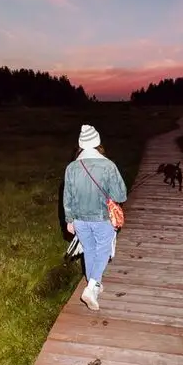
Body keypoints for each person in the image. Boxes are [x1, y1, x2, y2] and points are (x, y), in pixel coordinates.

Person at [63, 124, 127, 311]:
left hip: (79, 220)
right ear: (98, 143)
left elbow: (68, 196)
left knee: (90, 250)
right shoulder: (108, 166)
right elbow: (121, 195)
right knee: (103, 250)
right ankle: (92, 287)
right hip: (102, 218)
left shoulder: (72, 167)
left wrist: (69, 220)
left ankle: (94, 284)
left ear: (81, 145)